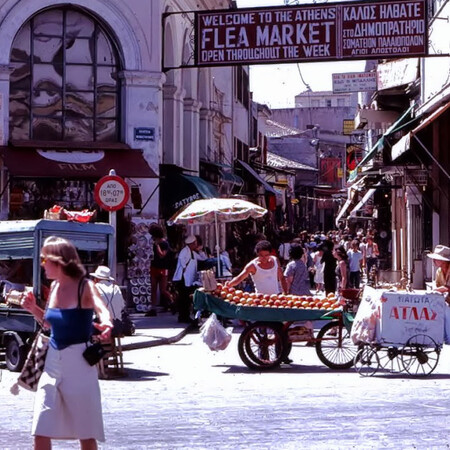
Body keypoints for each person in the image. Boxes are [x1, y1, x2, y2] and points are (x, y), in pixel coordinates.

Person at [21, 236, 112, 450]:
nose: (42, 265)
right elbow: (50, 324)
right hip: (52, 364)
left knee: (86, 433)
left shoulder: (85, 286)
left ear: (59, 261)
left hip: (79, 365)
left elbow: (101, 308)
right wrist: (33, 309)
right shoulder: (53, 287)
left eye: (45, 260)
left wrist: (106, 322)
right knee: (40, 428)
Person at [90, 265, 125, 337]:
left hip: (101, 326)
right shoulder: (116, 288)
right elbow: (122, 306)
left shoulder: (95, 287)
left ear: (96, 278)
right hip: (117, 326)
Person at [172, 235, 199, 323]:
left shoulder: (192, 252)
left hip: (188, 279)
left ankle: (185, 316)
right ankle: (183, 316)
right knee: (183, 298)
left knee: (186, 298)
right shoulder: (184, 251)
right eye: (195, 243)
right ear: (191, 244)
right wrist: (183, 267)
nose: (196, 244)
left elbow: (201, 258)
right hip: (182, 278)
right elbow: (181, 259)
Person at [148, 223, 174, 316]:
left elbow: (162, 255)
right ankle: (153, 308)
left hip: (163, 268)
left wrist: (157, 246)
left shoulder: (164, 243)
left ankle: (173, 302)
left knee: (163, 289)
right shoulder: (155, 242)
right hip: (154, 266)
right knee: (153, 288)